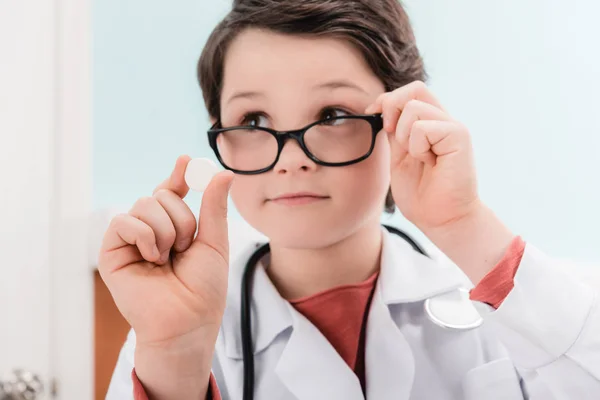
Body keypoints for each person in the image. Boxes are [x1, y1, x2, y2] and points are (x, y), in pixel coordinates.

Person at [100, 0, 600, 399]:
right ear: (221, 139)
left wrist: (463, 224)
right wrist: (176, 357)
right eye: (253, 121)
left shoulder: (498, 303)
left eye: (334, 114)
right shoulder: (178, 325)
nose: (291, 159)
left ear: (403, 120)